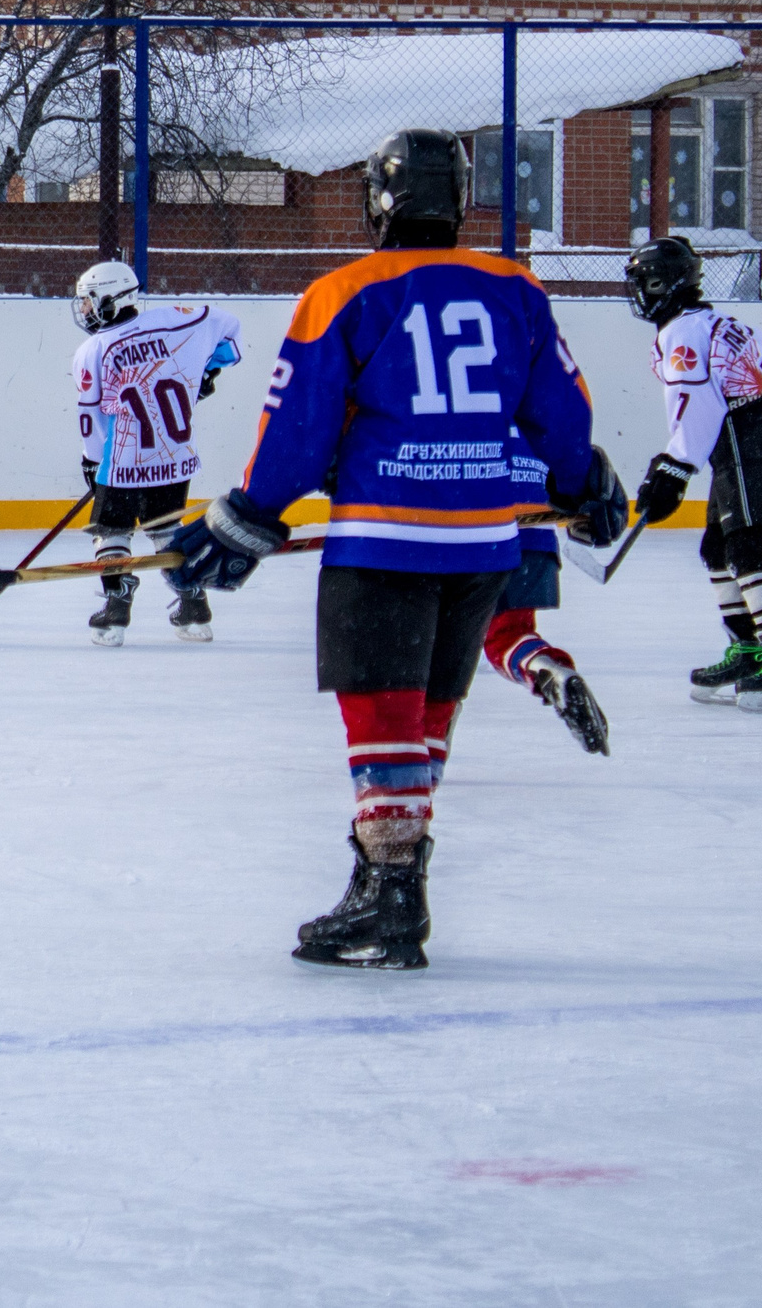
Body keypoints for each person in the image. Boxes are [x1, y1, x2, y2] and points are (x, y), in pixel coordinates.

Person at [161, 129, 625, 970]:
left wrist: (248, 514)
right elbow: (562, 415)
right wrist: (578, 483)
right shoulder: (515, 287)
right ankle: (383, 879)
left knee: (383, 720)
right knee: (428, 718)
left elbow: (299, 429)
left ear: (381, 199)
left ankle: (394, 899)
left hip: (384, 538)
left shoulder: (344, 291)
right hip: (486, 543)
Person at [625, 236, 762, 712]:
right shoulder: (717, 322)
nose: (640, 295)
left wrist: (675, 467)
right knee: (716, 549)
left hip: (744, 431)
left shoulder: (682, 333)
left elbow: (698, 404)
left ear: (666, 285)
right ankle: (750, 650)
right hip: (757, 429)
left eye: (646, 284)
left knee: (745, 545)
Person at [66, 259, 243, 646]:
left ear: (110, 299)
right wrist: (205, 373)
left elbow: (91, 418)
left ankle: (116, 607)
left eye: (88, 301)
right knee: (165, 528)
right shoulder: (180, 319)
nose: (84, 310)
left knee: (111, 529)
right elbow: (229, 332)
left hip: (125, 461)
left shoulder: (95, 349)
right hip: (176, 457)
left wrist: (92, 460)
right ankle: (194, 605)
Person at [478, 427, 611, 753]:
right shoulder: (533, 386)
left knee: (435, 652)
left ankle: (423, 753)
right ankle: (548, 668)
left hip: (467, 531)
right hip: (535, 537)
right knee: (509, 636)